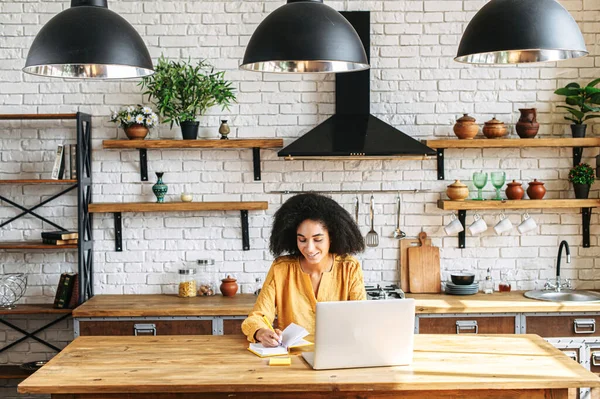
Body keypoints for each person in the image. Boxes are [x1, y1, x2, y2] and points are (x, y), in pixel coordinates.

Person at [241, 193, 366, 347]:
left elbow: (361, 318)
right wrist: (260, 332)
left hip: (338, 353)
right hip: (292, 358)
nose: (309, 248)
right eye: (302, 240)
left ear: (331, 237)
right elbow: (256, 317)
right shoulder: (281, 269)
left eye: (318, 239)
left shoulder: (349, 267)